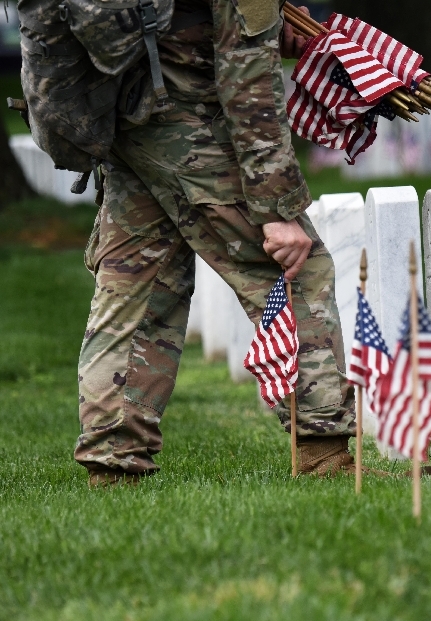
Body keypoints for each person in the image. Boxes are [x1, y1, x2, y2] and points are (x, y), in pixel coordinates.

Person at [75, 0, 356, 486]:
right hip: (188, 125)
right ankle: (324, 455)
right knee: (295, 269)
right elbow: (249, 82)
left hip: (126, 119)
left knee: (140, 285)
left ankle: (113, 463)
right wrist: (276, 209)